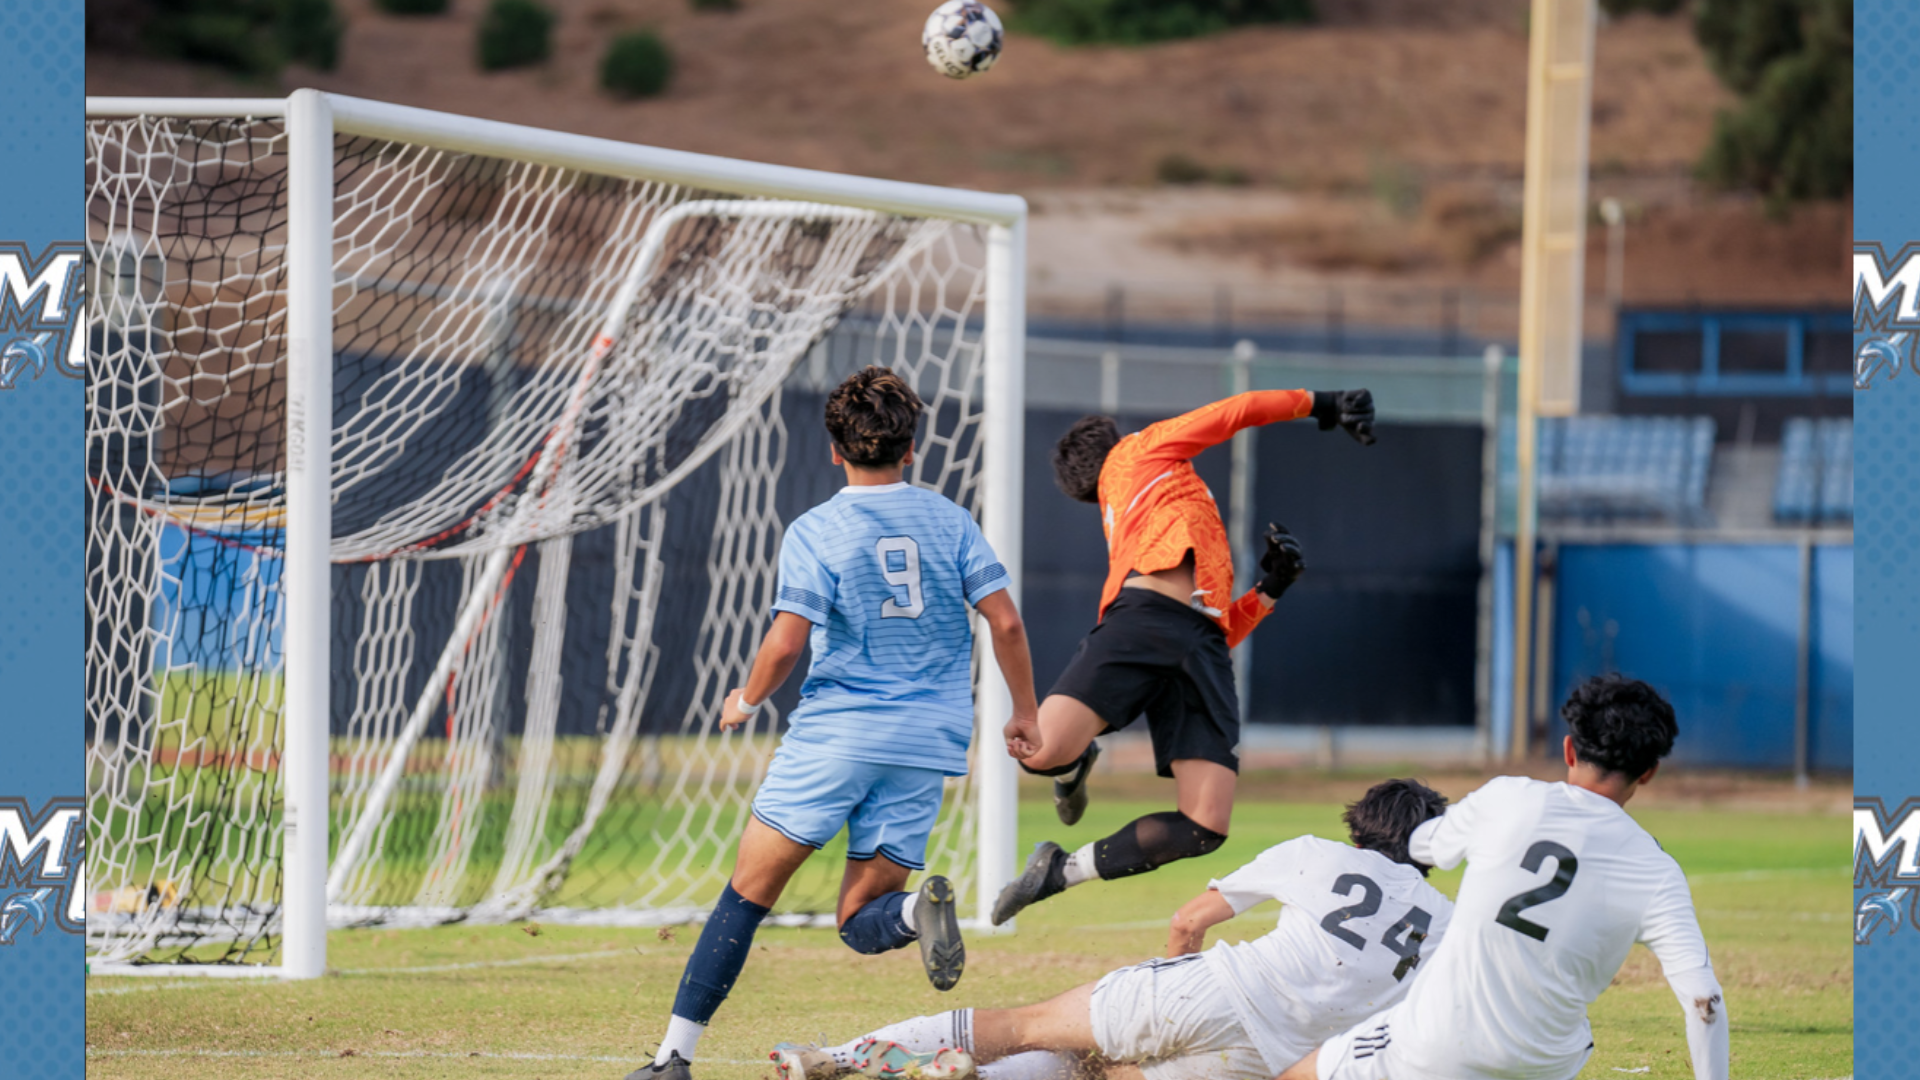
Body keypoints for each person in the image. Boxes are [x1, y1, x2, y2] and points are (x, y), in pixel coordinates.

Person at [628, 366, 1041, 1080]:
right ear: (911, 448)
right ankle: (914, 913)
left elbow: (786, 642)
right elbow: (1003, 620)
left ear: (833, 450)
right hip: (927, 743)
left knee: (747, 897)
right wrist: (1025, 713)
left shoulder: (817, 529)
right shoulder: (951, 520)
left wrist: (746, 700)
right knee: (861, 921)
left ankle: (673, 1061)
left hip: (837, 737)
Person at [767, 778, 1455, 1080]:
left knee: (1026, 1025)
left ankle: (838, 1059)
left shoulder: (1318, 853)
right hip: (1273, 1060)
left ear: (1361, 826)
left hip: (1216, 988)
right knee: (1091, 1074)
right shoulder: (1447, 925)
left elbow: (1190, 922)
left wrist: (1175, 983)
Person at [992, 388, 1377, 925]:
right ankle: (1074, 760)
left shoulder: (1134, 507)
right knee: (1039, 750)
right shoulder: (1139, 451)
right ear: (1117, 444)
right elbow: (1233, 412)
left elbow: (1211, 629)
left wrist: (1269, 589)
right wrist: (1321, 404)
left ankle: (1062, 870)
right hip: (1147, 622)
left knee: (1205, 826)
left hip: (1196, 642)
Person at [1280, 674, 1729, 1080]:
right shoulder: (1658, 871)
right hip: (1545, 1065)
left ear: (1570, 748)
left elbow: (1421, 845)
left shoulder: (1508, 798)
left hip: (1434, 1045)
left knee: (1299, 1075)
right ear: (1648, 772)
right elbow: (1703, 1000)